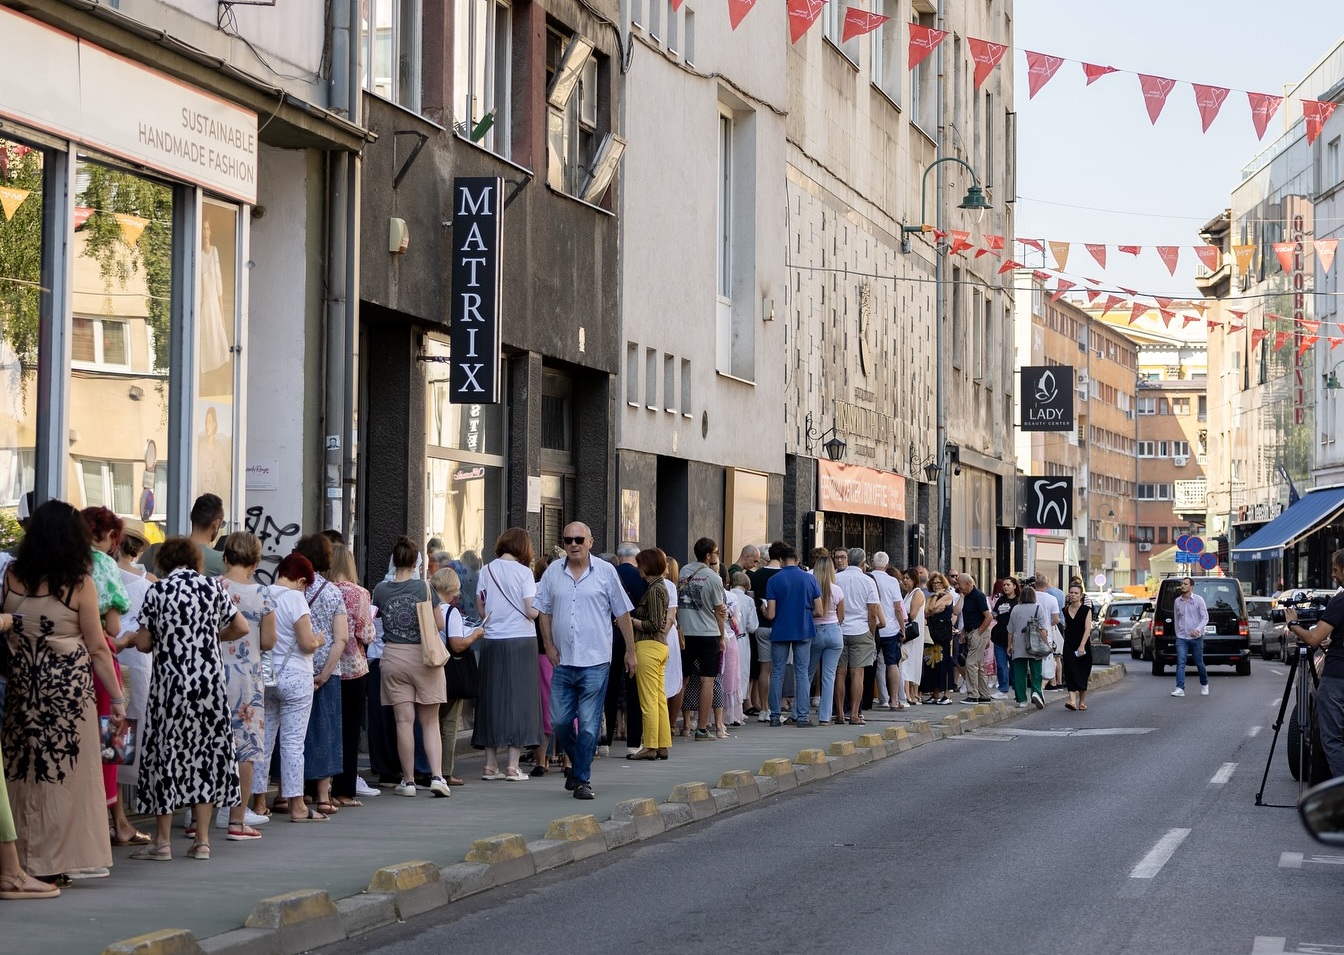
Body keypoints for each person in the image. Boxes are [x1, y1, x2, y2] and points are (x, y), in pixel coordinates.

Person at [3, 500, 124, 881]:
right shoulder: (79, 583)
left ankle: (21, 860)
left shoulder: (12, 577)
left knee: (22, 775)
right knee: (66, 777)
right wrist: (118, 699)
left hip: (23, 689)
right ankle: (54, 862)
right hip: (68, 695)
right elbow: (99, 648)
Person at [133, 536, 249, 861]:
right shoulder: (212, 588)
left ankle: (162, 842)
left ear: (164, 561)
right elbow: (241, 627)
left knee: (166, 755)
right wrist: (211, 637)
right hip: (209, 687)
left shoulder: (157, 591)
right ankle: (202, 842)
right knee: (205, 757)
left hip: (169, 688)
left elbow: (143, 643)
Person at [536, 523, 636, 800]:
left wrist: (630, 651)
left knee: (589, 725)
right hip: (563, 660)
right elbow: (543, 610)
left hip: (595, 660)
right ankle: (580, 761)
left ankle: (581, 779)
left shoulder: (605, 572)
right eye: (568, 539)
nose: (573, 544)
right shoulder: (553, 572)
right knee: (559, 721)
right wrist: (548, 645)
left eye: (579, 539)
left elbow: (622, 613)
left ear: (590, 542)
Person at [371, 537, 451, 798]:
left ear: (394, 561)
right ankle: (437, 776)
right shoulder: (425, 588)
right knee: (430, 722)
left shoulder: (380, 590)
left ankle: (408, 781)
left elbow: (373, 619)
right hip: (425, 657)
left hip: (393, 657)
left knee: (403, 721)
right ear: (417, 562)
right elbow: (439, 624)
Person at [252, 554, 324, 822]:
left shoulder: (262, 593)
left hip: (268, 676)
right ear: (302, 580)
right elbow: (306, 643)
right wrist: (318, 640)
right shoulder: (296, 598)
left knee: (264, 740)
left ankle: (259, 803)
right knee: (293, 743)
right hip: (296, 677)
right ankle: (297, 806)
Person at [215, 532, 276, 840]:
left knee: (209, 744)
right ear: (256, 561)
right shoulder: (263, 594)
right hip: (247, 677)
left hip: (213, 672)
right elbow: (268, 641)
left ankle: (196, 818)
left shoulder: (213, 587)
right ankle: (237, 821)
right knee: (246, 747)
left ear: (225, 557)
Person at [475, 528, 542, 782]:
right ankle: (512, 766)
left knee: (491, 698)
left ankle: (489, 765)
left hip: (492, 639)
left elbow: (481, 607)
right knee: (519, 700)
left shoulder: (486, 570)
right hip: (521, 640)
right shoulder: (525, 573)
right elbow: (531, 610)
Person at [292, 535, 348, 814]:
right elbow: (341, 639)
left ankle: (291, 793)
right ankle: (323, 796)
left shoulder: (291, 590)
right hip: (326, 671)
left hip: (295, 668)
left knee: (292, 734)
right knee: (325, 732)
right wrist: (325, 674)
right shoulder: (333, 592)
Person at [1283, 548, 1344, 778]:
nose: (1333, 575)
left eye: (1336, 570)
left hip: (1337, 678)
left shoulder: (1340, 601)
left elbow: (1313, 639)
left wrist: (1293, 624)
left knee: (1332, 739)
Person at [326, 542, 379, 803]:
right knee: (349, 730)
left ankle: (315, 788)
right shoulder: (359, 593)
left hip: (325, 667)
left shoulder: (320, 590)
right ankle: (343, 790)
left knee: (325, 727)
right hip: (353, 668)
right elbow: (365, 633)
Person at [431, 566, 485, 784]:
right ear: (451, 588)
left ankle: (426, 769)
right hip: (449, 671)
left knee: (430, 721)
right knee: (449, 723)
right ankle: (445, 771)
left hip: (429, 669)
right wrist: (475, 635)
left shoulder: (427, 607)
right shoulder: (450, 612)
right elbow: (457, 644)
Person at [762, 543, 820, 727]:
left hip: (780, 630)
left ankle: (774, 715)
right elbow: (819, 610)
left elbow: (771, 614)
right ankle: (802, 716)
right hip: (803, 629)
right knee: (802, 672)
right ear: (797, 560)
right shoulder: (810, 579)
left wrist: (763, 609)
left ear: (781, 560)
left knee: (777, 672)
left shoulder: (774, 580)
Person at [678, 538, 728, 740]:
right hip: (708, 633)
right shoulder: (714, 578)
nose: (717, 555)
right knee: (707, 680)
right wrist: (722, 637)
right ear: (708, 555)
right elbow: (719, 612)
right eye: (716, 552)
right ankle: (701, 728)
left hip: (685, 632)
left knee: (682, 679)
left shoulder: (684, 571)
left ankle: (673, 725)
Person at [627, 548, 671, 760]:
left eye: (640, 564)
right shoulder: (661, 587)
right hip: (660, 646)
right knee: (659, 698)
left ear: (648, 566)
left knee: (648, 699)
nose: (638, 569)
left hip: (648, 645)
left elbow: (653, 624)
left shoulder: (654, 590)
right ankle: (662, 744)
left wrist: (630, 620)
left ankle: (650, 745)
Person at [833, 547, 883, 724]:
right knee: (857, 674)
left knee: (839, 673)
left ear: (848, 559)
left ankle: (839, 713)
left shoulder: (837, 578)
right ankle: (854, 714)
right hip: (861, 630)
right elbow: (872, 612)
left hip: (840, 629)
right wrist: (871, 633)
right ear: (863, 563)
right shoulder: (868, 580)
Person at [609, 543, 644, 754]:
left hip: (610, 635)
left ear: (619, 557)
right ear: (636, 559)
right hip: (635, 635)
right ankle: (633, 742)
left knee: (610, 687)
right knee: (634, 689)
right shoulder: (642, 578)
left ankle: (604, 741)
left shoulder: (610, 574)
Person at [144, 494, 226, 578]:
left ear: (191, 516)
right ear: (216, 524)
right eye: (221, 523)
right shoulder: (222, 561)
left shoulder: (167, 554)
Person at [748, 543, 785, 720]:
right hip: (781, 626)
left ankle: (764, 708)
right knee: (778, 670)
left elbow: (751, 599)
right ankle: (775, 708)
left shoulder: (756, 575)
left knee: (764, 668)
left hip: (761, 625)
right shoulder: (784, 575)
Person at [807, 556, 845, 725]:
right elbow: (841, 616)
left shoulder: (811, 588)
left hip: (814, 631)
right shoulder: (837, 590)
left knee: (807, 674)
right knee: (829, 676)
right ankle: (824, 717)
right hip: (834, 631)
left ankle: (800, 712)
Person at [871, 554, 907, 710]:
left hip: (872, 627)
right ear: (886, 565)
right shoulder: (892, 581)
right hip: (890, 629)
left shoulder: (868, 578)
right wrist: (902, 628)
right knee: (892, 663)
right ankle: (894, 700)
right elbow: (898, 608)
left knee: (872, 665)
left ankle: (874, 699)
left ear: (872, 563)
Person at [1008, 583, 1051, 710]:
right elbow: (1042, 630)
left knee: (1019, 674)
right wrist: (1047, 645)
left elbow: (1010, 630)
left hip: (1019, 645)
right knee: (1036, 672)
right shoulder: (1038, 608)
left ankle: (1022, 700)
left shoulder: (1015, 609)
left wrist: (1009, 645)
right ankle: (1036, 692)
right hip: (1035, 645)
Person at [956, 574, 994, 704]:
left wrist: (979, 633)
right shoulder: (967, 597)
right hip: (971, 631)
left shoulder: (978, 596)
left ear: (967, 584)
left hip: (978, 632)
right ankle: (984, 694)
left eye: (959, 583)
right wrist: (963, 632)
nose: (958, 586)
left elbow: (988, 616)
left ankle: (973, 695)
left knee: (970, 663)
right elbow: (970, 616)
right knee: (979, 665)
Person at [1170, 576, 1209, 698]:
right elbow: (1177, 619)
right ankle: (1179, 688)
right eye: (1182, 584)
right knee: (1181, 661)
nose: (1183, 586)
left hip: (1196, 638)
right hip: (1182, 637)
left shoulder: (1198, 600)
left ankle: (1204, 684)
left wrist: (1198, 629)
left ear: (1191, 587)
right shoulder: (1177, 601)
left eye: (1185, 584)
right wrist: (1178, 634)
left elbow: (1205, 618)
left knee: (1199, 662)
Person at [922, 573, 956, 705]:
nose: (936, 585)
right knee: (933, 663)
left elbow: (931, 608)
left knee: (945, 662)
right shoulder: (931, 597)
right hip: (932, 632)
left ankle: (947, 694)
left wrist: (934, 603)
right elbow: (927, 610)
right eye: (934, 583)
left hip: (944, 633)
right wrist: (934, 606)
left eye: (939, 583)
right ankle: (935, 693)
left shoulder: (948, 596)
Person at [1061, 583, 1094, 711]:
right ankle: (1072, 701)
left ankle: (1082, 701)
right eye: (1071, 592)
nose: (1073, 595)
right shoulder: (1065, 609)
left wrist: (1082, 645)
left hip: (1083, 645)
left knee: (1082, 672)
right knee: (1070, 670)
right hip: (1069, 644)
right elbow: (1066, 626)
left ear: (1081, 595)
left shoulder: (1086, 610)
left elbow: (1087, 629)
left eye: (1076, 593)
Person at [900, 569, 926, 705]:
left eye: (908, 578)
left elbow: (912, 614)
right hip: (908, 632)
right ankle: (908, 693)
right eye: (904, 578)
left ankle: (909, 693)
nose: (905, 581)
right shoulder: (908, 594)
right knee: (907, 661)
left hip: (913, 632)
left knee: (910, 661)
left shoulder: (918, 593)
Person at [989, 577, 1017, 700]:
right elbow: (995, 613)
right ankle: (1003, 689)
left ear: (1014, 586)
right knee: (1001, 665)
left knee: (1015, 666)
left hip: (1014, 639)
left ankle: (1017, 690)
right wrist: (993, 615)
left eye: (1008, 585)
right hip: (999, 637)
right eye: (1004, 585)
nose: (1005, 587)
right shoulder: (1001, 600)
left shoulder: (1018, 601)